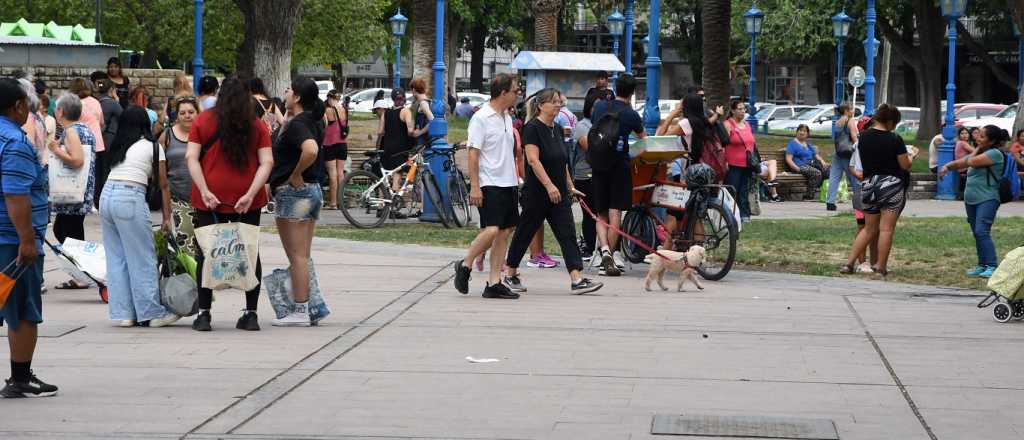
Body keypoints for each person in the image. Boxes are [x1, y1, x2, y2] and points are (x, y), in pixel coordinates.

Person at [186, 77, 273, 332]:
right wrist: (250, 193)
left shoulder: (203, 121)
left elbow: (191, 157)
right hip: (247, 198)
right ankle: (251, 313)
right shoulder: (256, 126)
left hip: (209, 197)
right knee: (249, 251)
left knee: (206, 252)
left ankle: (204, 314)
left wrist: (204, 189)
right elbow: (266, 162)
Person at [500, 89, 603, 295]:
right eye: (554, 102)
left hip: (559, 193)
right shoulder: (532, 128)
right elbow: (532, 160)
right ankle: (510, 273)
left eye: (560, 102)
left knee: (567, 233)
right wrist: (549, 185)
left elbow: (561, 160)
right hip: (538, 192)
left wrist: (569, 185)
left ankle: (576, 278)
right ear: (541, 105)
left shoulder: (556, 128)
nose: (558, 105)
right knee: (525, 232)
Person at [0, 78, 57, 398]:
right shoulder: (14, 142)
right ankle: (20, 378)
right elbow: (15, 195)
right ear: (18, 107)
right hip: (11, 239)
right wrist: (27, 241)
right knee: (21, 308)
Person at [101, 106, 178, 327]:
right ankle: (152, 313)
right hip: (129, 197)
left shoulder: (119, 146)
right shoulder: (152, 147)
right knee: (143, 257)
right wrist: (166, 217)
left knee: (117, 258)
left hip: (107, 197)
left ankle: (124, 314)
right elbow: (163, 185)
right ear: (146, 123)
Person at [453, 74, 522, 298]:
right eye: (515, 90)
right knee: (491, 229)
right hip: (489, 182)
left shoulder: (507, 117)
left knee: (504, 232)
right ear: (503, 92)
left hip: (508, 181)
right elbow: (473, 154)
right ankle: (465, 263)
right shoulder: (481, 117)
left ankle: (494, 282)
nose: (518, 94)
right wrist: (475, 186)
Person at [268, 77, 326, 326]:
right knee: (303, 255)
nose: (286, 92)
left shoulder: (299, 124)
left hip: (296, 194)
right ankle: (309, 306)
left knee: (297, 256)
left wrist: (294, 173)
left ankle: (300, 310)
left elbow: (310, 150)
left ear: (299, 97)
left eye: (290, 89)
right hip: (310, 192)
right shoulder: (311, 120)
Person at [841, 104, 917, 277]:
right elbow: (904, 165)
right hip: (891, 186)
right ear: (890, 121)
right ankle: (880, 266)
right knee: (886, 229)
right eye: (895, 123)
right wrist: (911, 156)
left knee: (868, 229)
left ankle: (849, 263)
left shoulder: (863, 138)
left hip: (868, 185)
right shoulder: (895, 139)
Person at [590, 74, 646, 276]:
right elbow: (642, 140)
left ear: (615, 87)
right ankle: (611, 256)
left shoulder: (600, 108)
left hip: (598, 165)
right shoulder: (631, 114)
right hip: (620, 167)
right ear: (632, 92)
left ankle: (603, 249)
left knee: (600, 213)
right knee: (615, 214)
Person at [940, 125, 1011, 279]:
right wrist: (947, 166)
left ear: (991, 141)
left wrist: (975, 149)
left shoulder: (995, 154)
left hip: (988, 198)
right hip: (971, 199)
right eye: (978, 134)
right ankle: (982, 264)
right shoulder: (982, 150)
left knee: (981, 231)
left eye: (982, 136)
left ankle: (992, 265)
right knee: (977, 233)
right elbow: (961, 162)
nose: (977, 137)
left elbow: (970, 162)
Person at [657, 93, 711, 234]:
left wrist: (673, 113)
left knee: (674, 212)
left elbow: (660, 136)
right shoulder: (704, 122)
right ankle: (697, 247)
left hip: (687, 173)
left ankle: (667, 248)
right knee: (695, 215)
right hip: (703, 171)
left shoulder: (687, 123)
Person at [50, 93, 97, 250]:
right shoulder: (85, 129)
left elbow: (77, 160)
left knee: (67, 233)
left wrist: (55, 150)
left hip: (72, 192)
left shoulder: (71, 131)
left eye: (56, 108)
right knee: (70, 231)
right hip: (81, 190)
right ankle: (80, 269)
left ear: (61, 111)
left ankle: (81, 270)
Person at [158, 97, 199, 255]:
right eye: (182, 113)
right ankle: (188, 279)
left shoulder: (204, 134)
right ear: (177, 115)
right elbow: (160, 173)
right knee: (185, 247)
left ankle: (201, 279)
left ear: (197, 113)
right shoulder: (167, 135)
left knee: (203, 246)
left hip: (203, 199)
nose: (187, 116)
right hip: (178, 198)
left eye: (191, 112)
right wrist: (166, 216)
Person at [378, 88, 425, 193]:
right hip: (400, 148)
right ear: (404, 99)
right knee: (397, 175)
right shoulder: (405, 111)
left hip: (387, 147)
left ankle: (382, 203)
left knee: (386, 176)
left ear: (392, 99)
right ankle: (394, 200)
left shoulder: (386, 113)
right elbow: (410, 131)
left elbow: (380, 131)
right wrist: (418, 131)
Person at [572, 91, 599, 264]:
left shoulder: (606, 124)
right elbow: (591, 147)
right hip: (585, 174)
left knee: (600, 213)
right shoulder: (582, 125)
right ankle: (588, 247)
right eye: (596, 105)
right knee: (589, 214)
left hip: (601, 173)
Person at [723, 99, 756, 222]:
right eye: (740, 109)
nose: (743, 111)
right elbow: (723, 144)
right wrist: (724, 161)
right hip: (732, 163)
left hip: (747, 163)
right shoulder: (728, 124)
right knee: (732, 189)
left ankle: (744, 214)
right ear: (733, 111)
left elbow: (752, 142)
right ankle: (730, 214)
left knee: (744, 190)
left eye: (744, 109)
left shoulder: (746, 125)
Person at [827, 104, 859, 211]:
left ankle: (830, 202)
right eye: (851, 109)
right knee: (854, 177)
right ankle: (858, 201)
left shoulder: (837, 122)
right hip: (849, 153)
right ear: (846, 111)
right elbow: (854, 137)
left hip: (838, 152)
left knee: (834, 177)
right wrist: (859, 149)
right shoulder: (850, 121)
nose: (853, 110)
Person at [785, 124, 828, 200]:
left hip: (811, 164)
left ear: (807, 134)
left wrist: (823, 162)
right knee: (816, 173)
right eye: (800, 130)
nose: (802, 133)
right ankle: (809, 195)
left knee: (828, 170)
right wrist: (796, 168)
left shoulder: (808, 145)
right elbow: (788, 159)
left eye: (804, 131)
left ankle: (825, 193)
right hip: (800, 165)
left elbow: (816, 155)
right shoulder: (792, 144)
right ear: (797, 132)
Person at [322, 90, 348, 210]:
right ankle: (341, 201)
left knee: (332, 174)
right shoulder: (344, 110)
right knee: (340, 173)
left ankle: (333, 203)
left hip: (330, 144)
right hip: (342, 144)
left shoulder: (327, 110)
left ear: (329, 98)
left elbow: (324, 125)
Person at [408, 77, 435, 147]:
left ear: (414, 90)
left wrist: (420, 132)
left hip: (423, 141)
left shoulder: (423, 103)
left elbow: (433, 120)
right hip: (427, 140)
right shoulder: (429, 101)